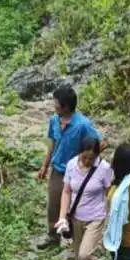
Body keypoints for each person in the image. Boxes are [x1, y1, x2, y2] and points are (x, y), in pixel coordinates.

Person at [36, 85, 101, 250]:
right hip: (57, 170)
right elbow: (52, 144)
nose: (54, 106)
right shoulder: (54, 121)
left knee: (75, 206)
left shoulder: (83, 125)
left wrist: (86, 162)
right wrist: (45, 166)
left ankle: (76, 238)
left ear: (66, 107)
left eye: (56, 104)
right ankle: (53, 236)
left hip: (76, 172)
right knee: (54, 204)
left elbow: (100, 143)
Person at [55, 135, 114, 260]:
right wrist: (62, 217)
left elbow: (109, 192)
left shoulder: (104, 168)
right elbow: (67, 191)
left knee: (85, 254)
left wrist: (110, 215)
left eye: (91, 158)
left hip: (95, 217)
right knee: (78, 257)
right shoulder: (71, 165)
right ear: (79, 153)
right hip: (76, 217)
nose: (88, 161)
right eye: (84, 157)